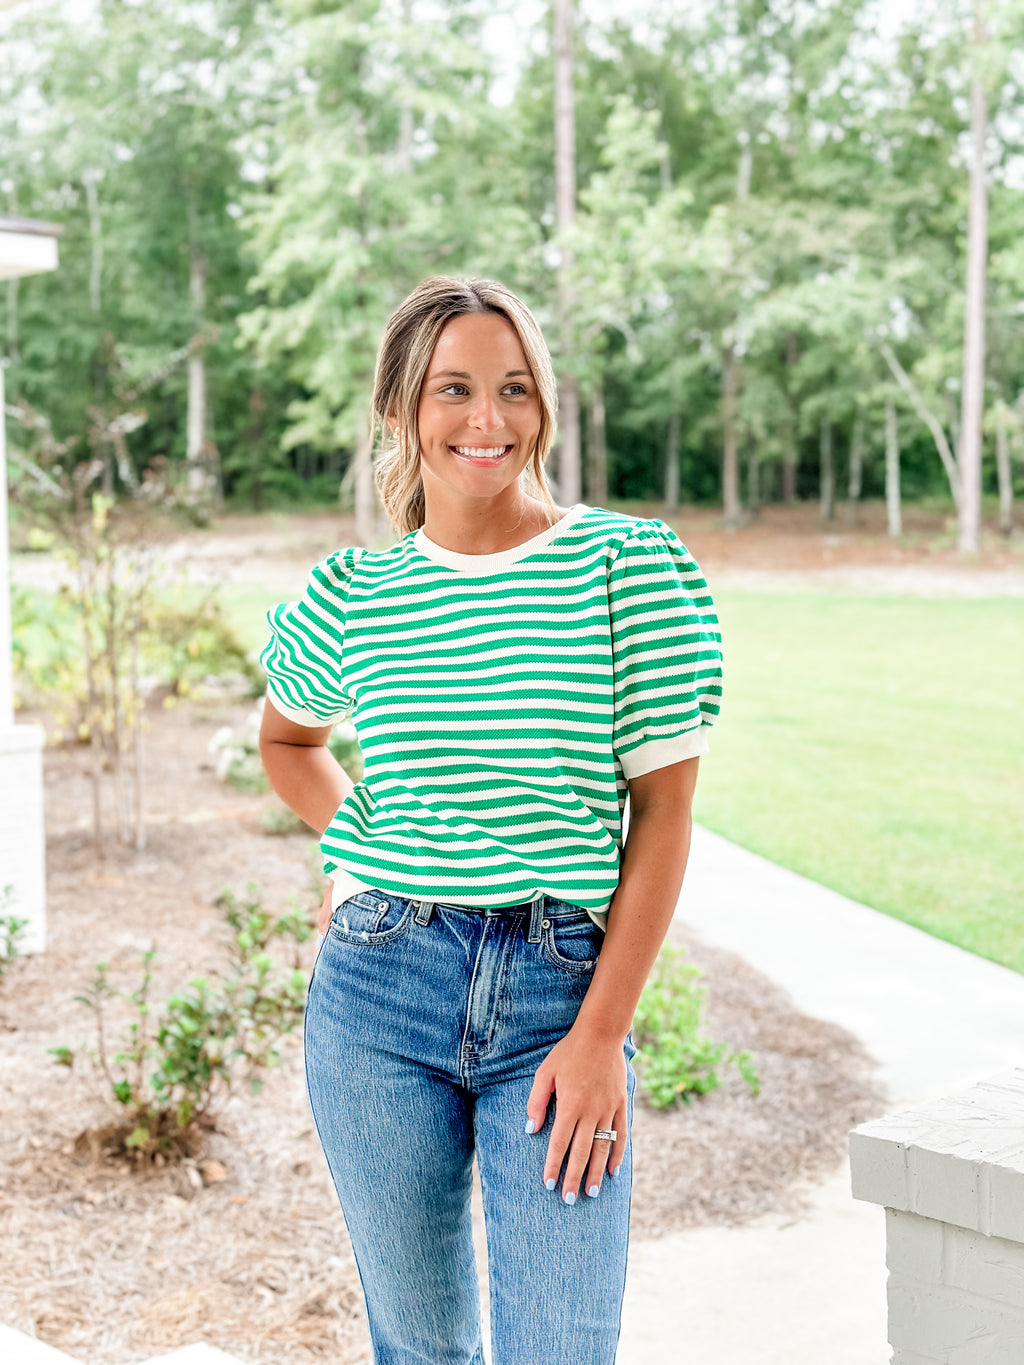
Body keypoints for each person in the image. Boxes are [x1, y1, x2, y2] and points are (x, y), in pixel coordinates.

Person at [258, 276, 722, 1365]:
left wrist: (602, 1035)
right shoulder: (354, 596)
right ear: (400, 410)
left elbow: (661, 816)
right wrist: (352, 863)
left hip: (559, 996)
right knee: (420, 1350)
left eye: (514, 389)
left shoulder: (621, 567)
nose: (488, 420)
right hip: (376, 994)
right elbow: (288, 743)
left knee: (561, 1348)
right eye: (453, 389)